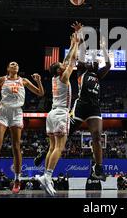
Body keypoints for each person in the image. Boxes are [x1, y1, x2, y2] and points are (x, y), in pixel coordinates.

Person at [0, 62, 44, 194]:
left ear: (18, 69)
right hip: (3, 112)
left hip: (17, 113)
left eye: (16, 64)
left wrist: (38, 81)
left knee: (16, 147)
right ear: (8, 68)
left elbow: (40, 93)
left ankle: (17, 180)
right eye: (12, 64)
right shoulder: (1, 79)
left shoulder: (24, 81)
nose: (14, 64)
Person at [37, 32, 79, 196]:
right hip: (61, 114)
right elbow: (73, 59)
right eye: (62, 64)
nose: (64, 64)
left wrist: (72, 42)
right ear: (60, 69)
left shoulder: (55, 78)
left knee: (52, 147)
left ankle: (45, 176)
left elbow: (68, 59)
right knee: (59, 148)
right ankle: (47, 176)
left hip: (52, 114)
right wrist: (76, 43)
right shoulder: (64, 76)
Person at [69, 22, 110, 181]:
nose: (93, 61)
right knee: (66, 133)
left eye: (95, 60)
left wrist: (104, 48)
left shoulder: (98, 75)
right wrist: (80, 34)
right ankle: (45, 152)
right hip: (80, 106)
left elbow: (108, 64)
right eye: (91, 60)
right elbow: (83, 50)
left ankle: (98, 169)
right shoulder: (81, 71)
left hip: (94, 108)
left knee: (97, 137)